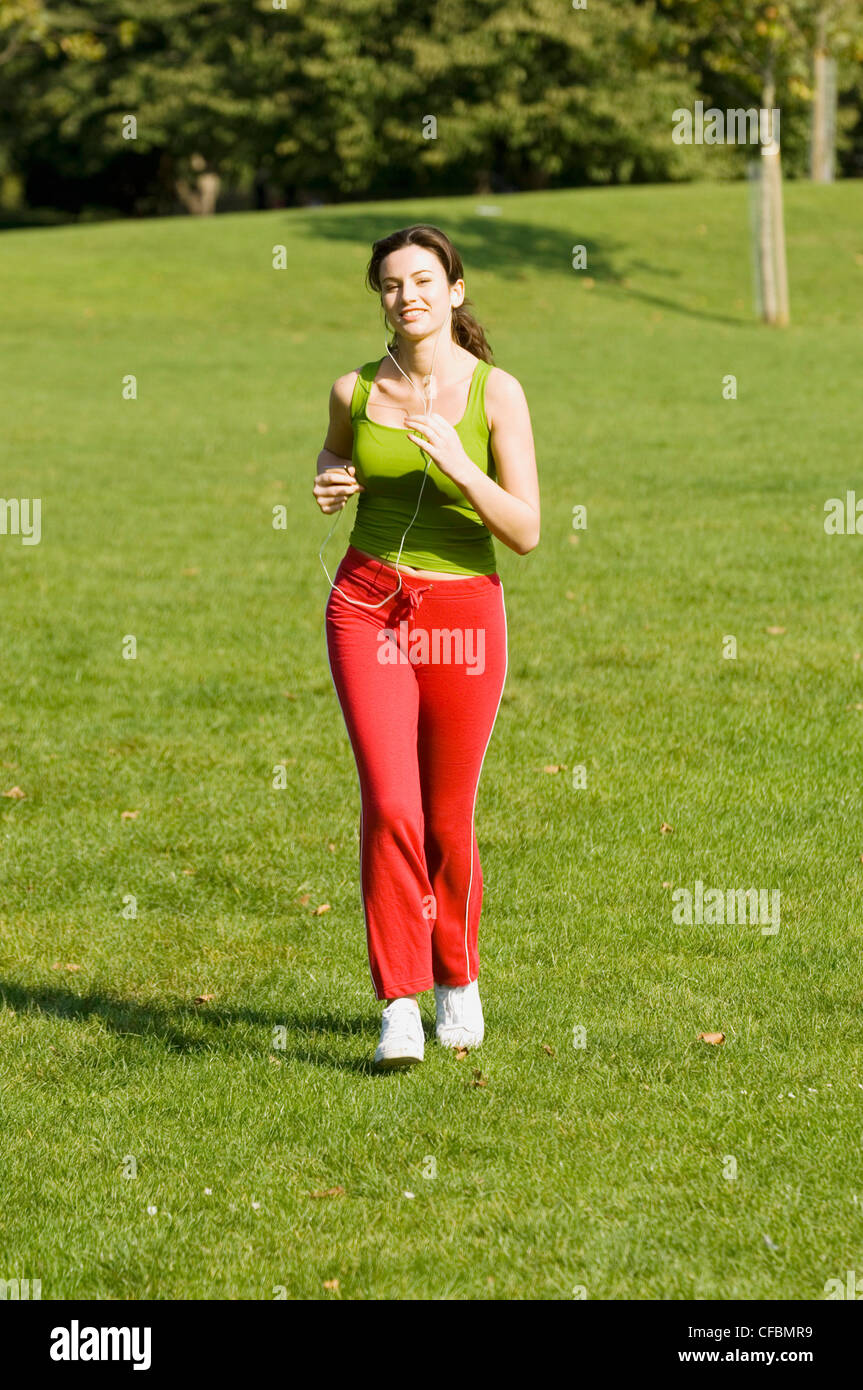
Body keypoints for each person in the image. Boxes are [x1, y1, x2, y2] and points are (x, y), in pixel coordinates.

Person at [313, 223, 539, 1069]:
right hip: (365, 603)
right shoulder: (352, 388)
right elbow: (336, 461)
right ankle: (398, 1003)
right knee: (391, 805)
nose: (404, 294)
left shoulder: (496, 393)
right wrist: (330, 482)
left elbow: (525, 530)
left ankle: (457, 979)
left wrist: (460, 465)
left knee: (445, 817)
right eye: (389, 283)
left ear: (453, 291)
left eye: (420, 280)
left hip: (460, 615)